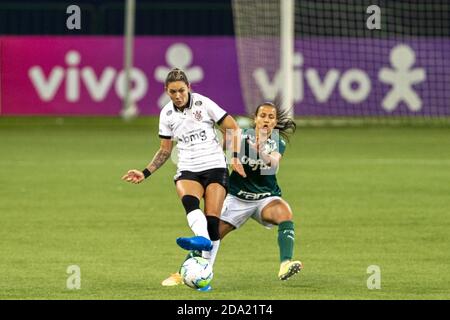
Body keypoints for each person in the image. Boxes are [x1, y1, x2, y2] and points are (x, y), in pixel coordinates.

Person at [122, 68, 246, 282]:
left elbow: (232, 127)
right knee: (190, 202)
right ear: (166, 91)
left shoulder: (203, 103)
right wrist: (145, 172)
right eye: (172, 92)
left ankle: (206, 272)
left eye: (181, 90)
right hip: (188, 168)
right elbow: (165, 150)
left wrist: (234, 156)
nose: (177, 96)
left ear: (189, 87)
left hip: (215, 166)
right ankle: (202, 242)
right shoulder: (166, 114)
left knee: (212, 222)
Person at [162, 102, 302, 287]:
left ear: (275, 122)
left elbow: (274, 164)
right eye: (263, 116)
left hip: (265, 199)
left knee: (285, 212)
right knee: (213, 234)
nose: (266, 120)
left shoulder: (277, 141)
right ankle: (182, 273)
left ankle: (285, 264)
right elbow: (215, 146)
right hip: (237, 198)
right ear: (255, 119)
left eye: (270, 117)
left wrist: (261, 153)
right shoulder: (240, 136)